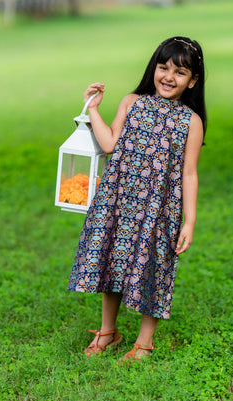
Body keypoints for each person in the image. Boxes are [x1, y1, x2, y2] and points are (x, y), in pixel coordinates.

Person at [68, 36, 207, 361]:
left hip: (159, 211)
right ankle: (108, 332)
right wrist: (94, 109)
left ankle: (144, 342)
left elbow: (189, 174)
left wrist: (190, 220)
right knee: (112, 263)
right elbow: (109, 143)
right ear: (154, 68)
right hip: (119, 203)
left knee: (153, 270)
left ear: (193, 81)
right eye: (163, 68)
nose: (169, 77)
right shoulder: (132, 102)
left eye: (180, 72)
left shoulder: (192, 122)